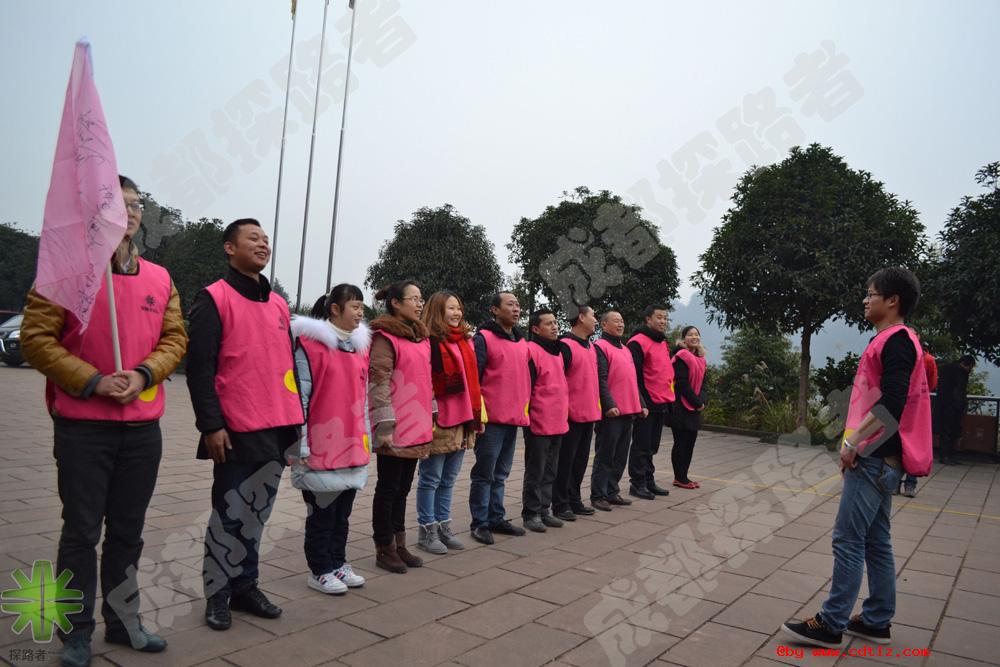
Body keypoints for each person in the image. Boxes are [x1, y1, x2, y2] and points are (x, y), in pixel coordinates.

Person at [21, 175, 186, 666]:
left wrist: (144, 373)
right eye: (117, 204)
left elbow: (175, 339)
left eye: (135, 205)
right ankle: (75, 632)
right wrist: (92, 380)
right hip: (84, 427)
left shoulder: (160, 278)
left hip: (142, 428)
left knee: (128, 531)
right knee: (81, 532)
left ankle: (123, 620)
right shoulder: (64, 273)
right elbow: (36, 339)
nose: (129, 212)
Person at [782, 267, 932, 649]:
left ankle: (831, 623)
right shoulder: (895, 340)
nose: (865, 300)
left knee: (847, 539)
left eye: (871, 294)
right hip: (884, 458)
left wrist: (853, 441)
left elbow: (892, 404)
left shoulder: (897, 341)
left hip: (874, 456)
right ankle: (877, 620)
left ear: (892, 300)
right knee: (876, 541)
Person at [187, 218, 304, 631]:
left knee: (257, 513)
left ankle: (245, 585)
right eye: (253, 238)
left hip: (276, 426)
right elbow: (200, 368)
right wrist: (211, 425)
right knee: (229, 514)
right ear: (229, 248)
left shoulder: (278, 305)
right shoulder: (213, 298)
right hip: (234, 428)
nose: (262, 244)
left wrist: (295, 428)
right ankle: (218, 592)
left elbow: (288, 367)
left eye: (266, 239)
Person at [287, 285, 371, 595]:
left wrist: (367, 438)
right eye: (355, 306)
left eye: (362, 306)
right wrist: (299, 444)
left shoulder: (360, 349)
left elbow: (363, 398)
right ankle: (319, 569)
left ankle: (338, 562)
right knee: (322, 514)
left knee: (342, 514)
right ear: (335, 309)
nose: (360, 313)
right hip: (319, 445)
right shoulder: (310, 347)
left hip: (351, 443)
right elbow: (300, 398)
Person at [368, 280, 433, 572]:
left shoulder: (421, 338)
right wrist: (383, 424)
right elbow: (379, 382)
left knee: (403, 488)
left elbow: (427, 380)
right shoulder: (384, 338)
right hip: (394, 426)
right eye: (414, 299)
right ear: (395, 303)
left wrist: (431, 413)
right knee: (388, 488)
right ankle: (384, 548)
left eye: (421, 299)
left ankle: (399, 543)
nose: (420, 304)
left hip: (416, 423)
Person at [415, 291, 481, 554]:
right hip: (438, 420)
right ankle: (426, 531)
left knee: (449, 479)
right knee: (431, 478)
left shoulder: (466, 341)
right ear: (437, 311)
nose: (457, 313)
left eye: (458, 308)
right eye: (450, 308)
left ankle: (444, 526)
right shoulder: (428, 342)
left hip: (463, 419)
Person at [469, 292, 530, 544]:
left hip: (513, 418)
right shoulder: (483, 339)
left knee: (501, 473)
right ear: (494, 310)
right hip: (491, 420)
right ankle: (479, 523)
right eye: (510, 304)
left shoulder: (521, 341)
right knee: (485, 473)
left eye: (518, 305)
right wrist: (476, 418)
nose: (516, 309)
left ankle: (496, 517)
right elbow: (474, 379)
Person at [591, 311, 646, 511]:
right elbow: (601, 379)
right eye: (616, 321)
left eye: (622, 320)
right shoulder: (600, 347)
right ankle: (598, 495)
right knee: (605, 455)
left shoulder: (625, 349)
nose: (621, 324)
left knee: (620, 456)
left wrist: (641, 403)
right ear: (604, 325)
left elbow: (633, 380)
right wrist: (608, 405)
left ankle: (612, 491)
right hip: (611, 413)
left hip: (628, 410)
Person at [522, 308, 570, 532]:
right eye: (548, 323)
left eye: (555, 322)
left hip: (558, 420)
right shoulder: (531, 351)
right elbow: (527, 388)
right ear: (535, 328)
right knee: (536, 470)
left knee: (551, 470)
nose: (554, 327)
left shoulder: (557, 352)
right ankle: (531, 513)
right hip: (539, 421)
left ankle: (544, 509)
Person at [552, 306, 600, 522]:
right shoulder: (565, 345)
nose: (595, 320)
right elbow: (557, 380)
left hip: (589, 414)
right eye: (593, 316)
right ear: (581, 317)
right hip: (570, 416)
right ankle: (560, 504)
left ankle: (574, 499)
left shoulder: (590, 346)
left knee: (580, 461)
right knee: (565, 462)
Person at [626, 304, 675, 499]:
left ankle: (648, 480)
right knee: (641, 445)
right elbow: (635, 377)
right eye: (659, 317)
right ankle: (637, 483)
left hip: (661, 401)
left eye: (665, 318)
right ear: (648, 319)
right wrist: (642, 402)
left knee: (652, 446)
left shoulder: (662, 341)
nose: (663, 321)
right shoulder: (637, 342)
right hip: (646, 402)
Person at [670, 326, 708, 489]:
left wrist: (702, 401)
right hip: (680, 407)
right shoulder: (681, 356)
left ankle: (684, 476)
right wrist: (697, 403)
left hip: (694, 407)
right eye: (690, 335)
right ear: (683, 338)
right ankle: (679, 477)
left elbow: (704, 384)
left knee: (690, 443)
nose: (694, 337)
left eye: (696, 334)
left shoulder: (700, 358)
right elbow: (681, 383)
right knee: (681, 443)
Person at [899, 342, 938, 496]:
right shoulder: (928, 359)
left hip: (904, 402)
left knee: (900, 443)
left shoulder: (906, 355)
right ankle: (910, 485)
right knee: (914, 444)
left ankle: (896, 482)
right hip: (918, 404)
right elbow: (932, 383)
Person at [935, 354, 975, 465]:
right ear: (967, 364)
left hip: (949, 404)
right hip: (952, 405)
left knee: (949, 431)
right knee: (950, 431)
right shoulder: (957, 372)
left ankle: (947, 455)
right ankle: (947, 455)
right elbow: (958, 390)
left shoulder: (949, 369)